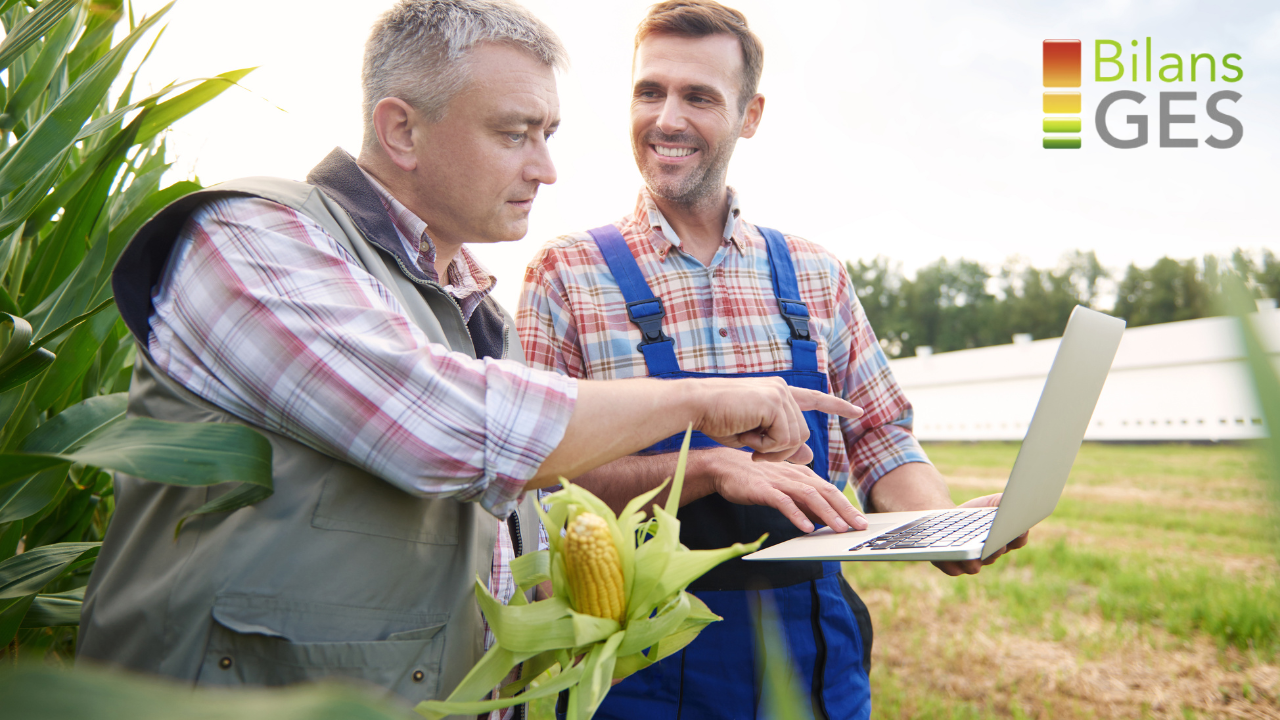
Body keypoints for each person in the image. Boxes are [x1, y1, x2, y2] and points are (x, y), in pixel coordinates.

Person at [76, 0, 864, 712]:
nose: (545, 168)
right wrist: (699, 405)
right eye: (514, 133)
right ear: (401, 131)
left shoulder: (477, 313)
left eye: (548, 135)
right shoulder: (253, 241)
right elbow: (449, 428)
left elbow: (517, 522)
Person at [516, 2, 1029, 718]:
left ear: (749, 115)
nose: (666, 118)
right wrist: (704, 471)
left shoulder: (815, 273)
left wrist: (940, 529)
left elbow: (882, 437)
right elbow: (539, 480)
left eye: (699, 96)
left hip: (816, 647)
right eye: (649, 91)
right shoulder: (567, 273)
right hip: (642, 656)